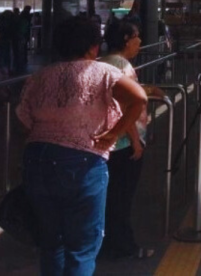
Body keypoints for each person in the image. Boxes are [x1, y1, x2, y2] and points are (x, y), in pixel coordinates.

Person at [16, 16, 147, 275]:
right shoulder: (102, 71)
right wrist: (114, 133)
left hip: (36, 159)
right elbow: (139, 98)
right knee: (82, 246)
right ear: (93, 47)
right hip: (82, 162)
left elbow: (24, 120)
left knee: (51, 242)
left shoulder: (39, 77)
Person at [100, 21, 164, 260]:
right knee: (121, 198)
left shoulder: (104, 63)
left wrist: (149, 89)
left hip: (107, 144)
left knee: (109, 197)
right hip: (122, 145)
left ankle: (105, 242)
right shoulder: (121, 65)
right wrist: (135, 140)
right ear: (126, 39)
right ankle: (123, 246)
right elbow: (123, 106)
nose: (140, 41)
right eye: (136, 36)